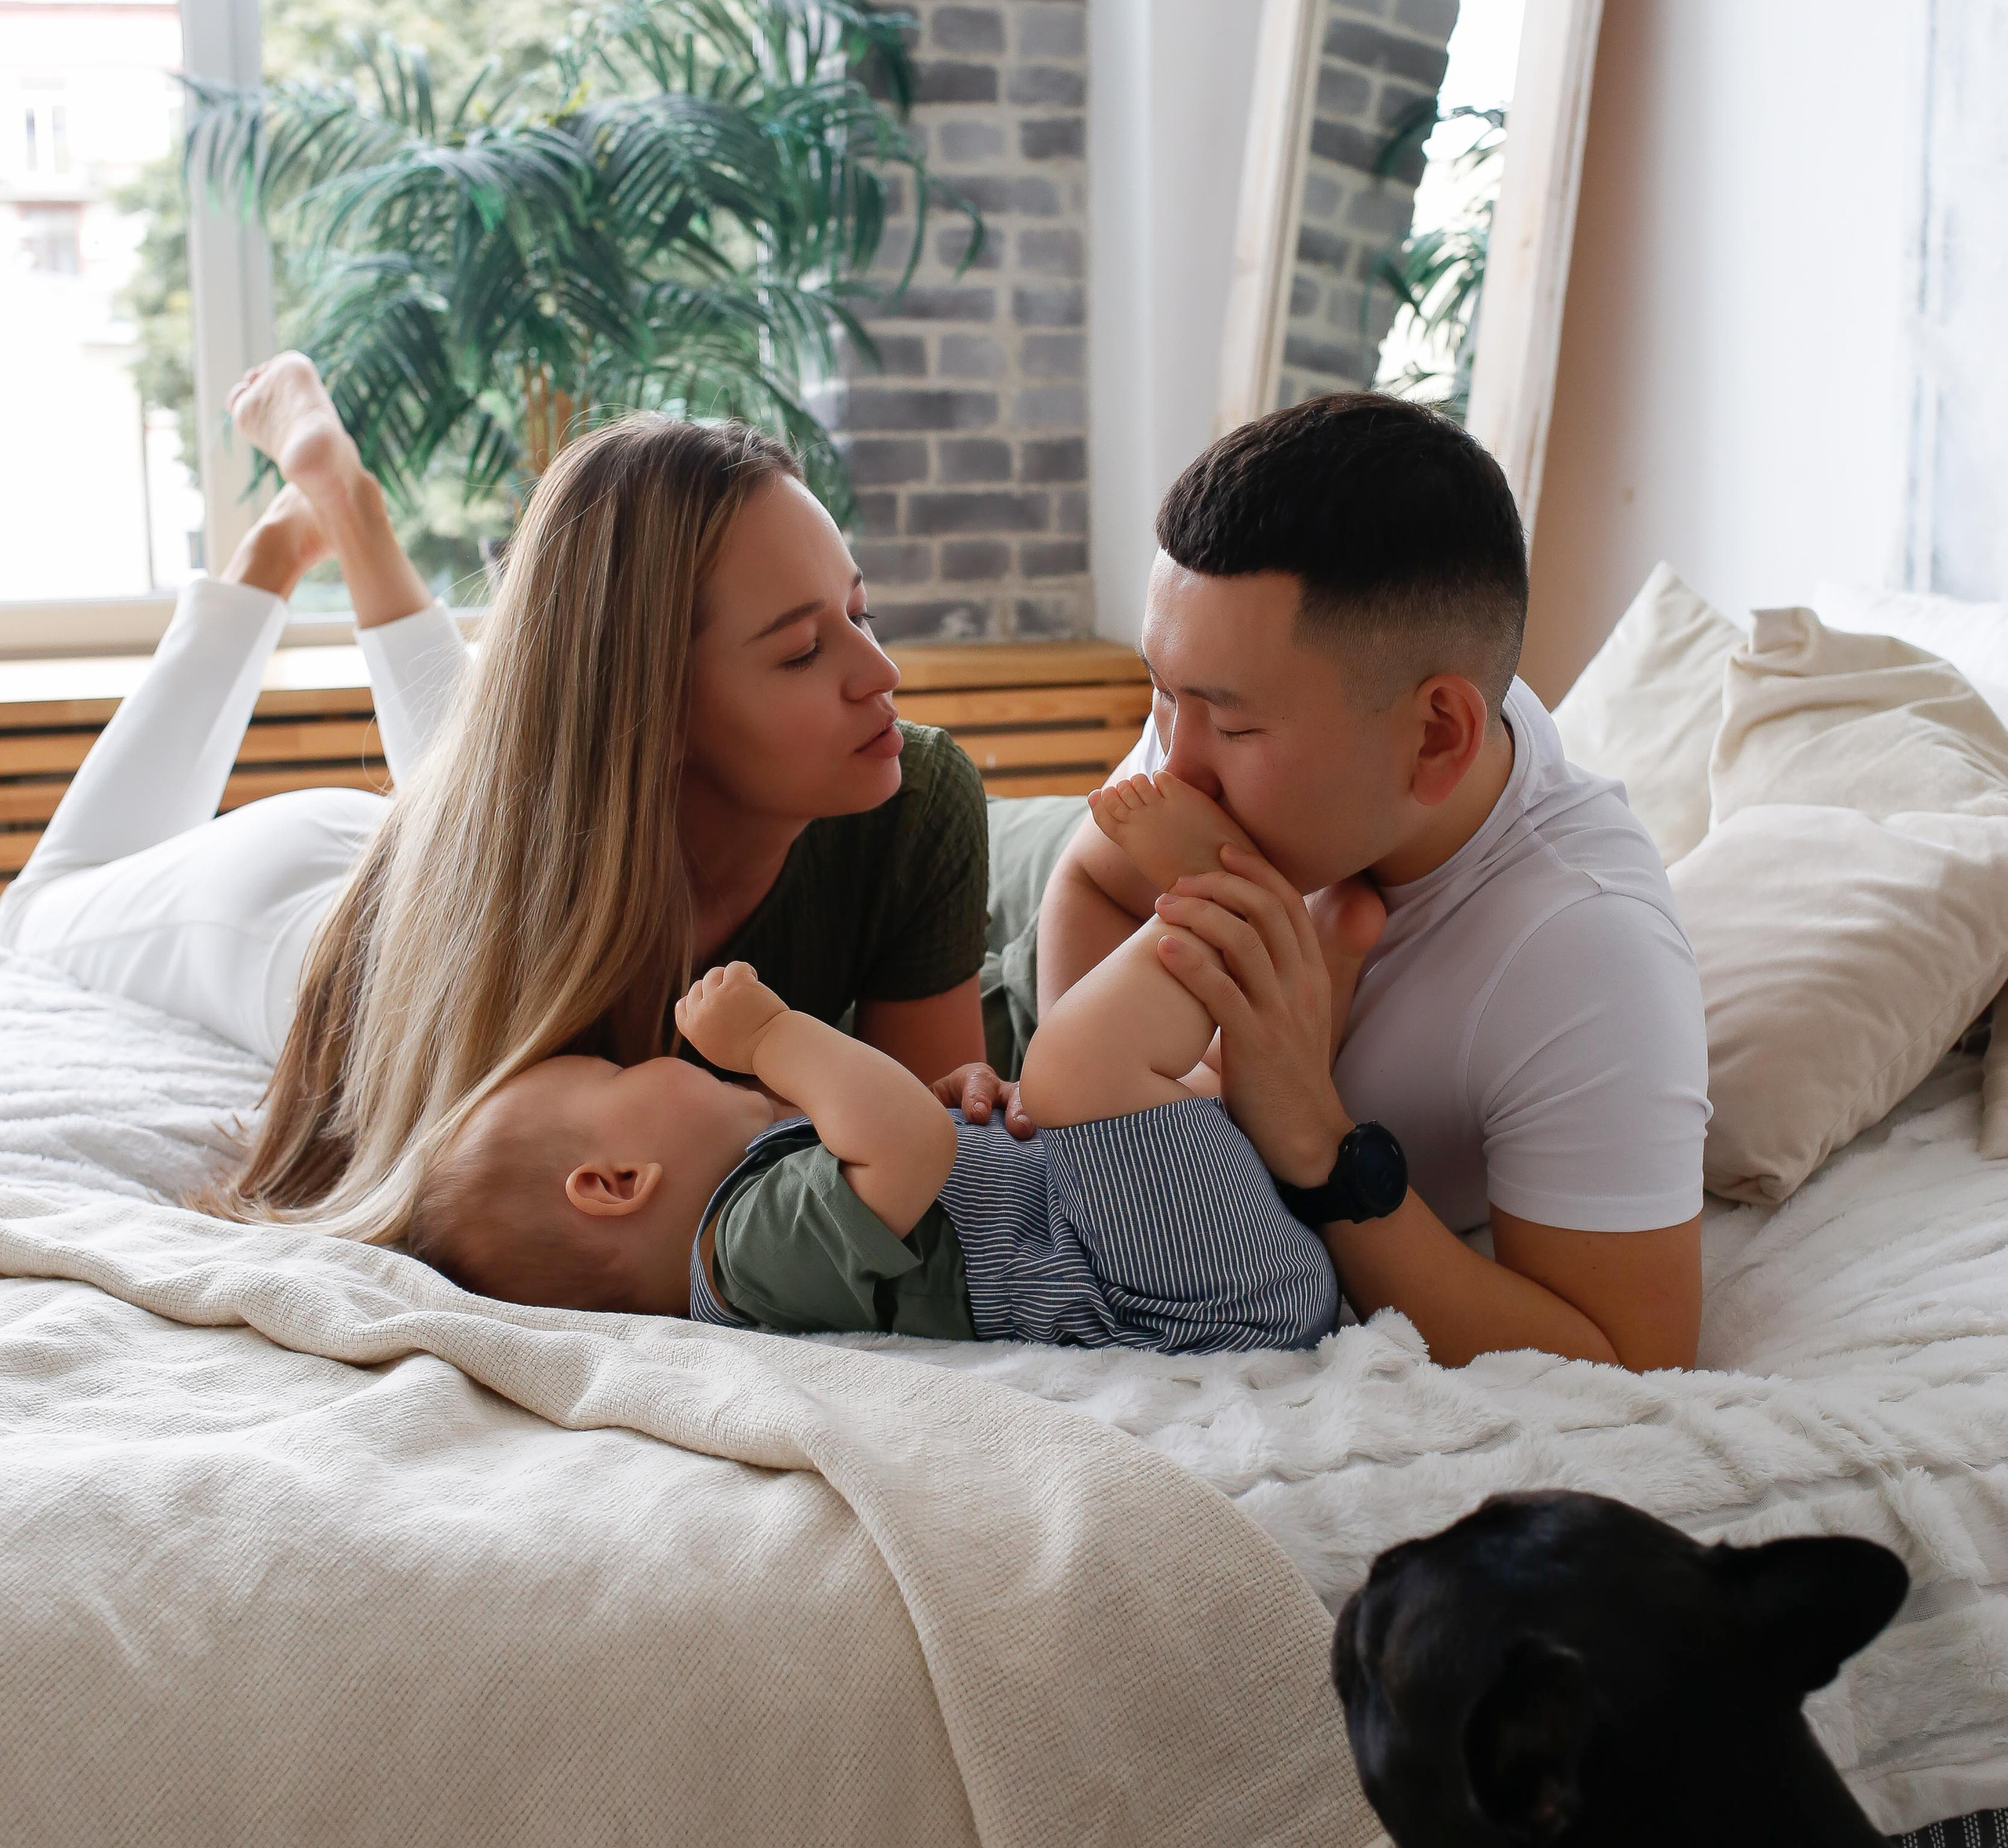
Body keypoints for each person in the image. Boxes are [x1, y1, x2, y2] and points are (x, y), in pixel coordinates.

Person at [0, 356, 991, 1242]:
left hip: (511, 839)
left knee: (503, 775)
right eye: (804, 650)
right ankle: (268, 562)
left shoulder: (914, 797)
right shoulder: (481, 934)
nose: (882, 674)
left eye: (861, 611)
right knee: (39, 908)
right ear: (654, 705)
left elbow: (941, 1166)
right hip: (289, 901)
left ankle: (347, 509)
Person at [1027, 393, 1712, 1373]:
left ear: (1435, 737)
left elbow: (1631, 1363)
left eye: (1233, 725)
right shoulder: (1229, 710)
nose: (1172, 771)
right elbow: (1094, 878)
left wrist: (1315, 1141)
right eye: (1161, 692)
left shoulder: (1584, 953)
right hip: (1025, 907)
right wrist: (1090, 1138)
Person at [403, 764, 1347, 1353]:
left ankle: (1316, 957)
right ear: (616, 1183)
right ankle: (1230, 899)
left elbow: (915, 1141)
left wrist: (952, 1102)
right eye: (618, 1078)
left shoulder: (768, 1222)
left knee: (1174, 1088)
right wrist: (769, 1036)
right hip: (1175, 1294)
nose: (653, 1060)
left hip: (1173, 1254)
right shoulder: (740, 1252)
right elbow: (906, 1147)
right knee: (1076, 1069)